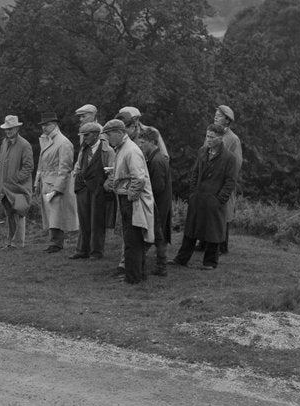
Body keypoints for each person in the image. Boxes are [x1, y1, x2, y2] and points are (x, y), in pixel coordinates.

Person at [171, 123, 240, 271]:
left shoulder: (229, 158)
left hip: (214, 200)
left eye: (212, 137)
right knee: (190, 230)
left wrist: (220, 199)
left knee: (213, 232)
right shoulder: (202, 151)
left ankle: (210, 263)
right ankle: (181, 259)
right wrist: (193, 193)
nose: (208, 139)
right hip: (198, 198)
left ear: (220, 138)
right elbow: (195, 173)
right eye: (207, 136)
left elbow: (230, 182)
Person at [102, 119, 154, 284]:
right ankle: (138, 274)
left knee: (132, 240)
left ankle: (133, 278)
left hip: (131, 200)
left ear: (119, 133)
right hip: (126, 197)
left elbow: (139, 178)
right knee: (132, 239)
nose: (108, 139)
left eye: (109, 135)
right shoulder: (123, 149)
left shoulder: (130, 150)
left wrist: (130, 197)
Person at [33, 112, 78, 253]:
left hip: (55, 182)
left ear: (55, 124)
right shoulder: (46, 140)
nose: (44, 128)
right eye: (42, 125)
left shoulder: (63, 143)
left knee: (56, 214)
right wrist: (36, 182)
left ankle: (56, 243)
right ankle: (54, 241)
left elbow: (65, 168)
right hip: (46, 181)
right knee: (50, 214)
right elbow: (41, 164)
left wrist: (58, 188)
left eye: (46, 125)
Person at [71, 121, 114, 259]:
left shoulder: (107, 150)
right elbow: (78, 167)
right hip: (83, 189)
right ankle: (81, 251)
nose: (84, 138)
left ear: (96, 135)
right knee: (83, 220)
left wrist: (107, 184)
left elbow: (112, 170)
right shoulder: (83, 149)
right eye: (83, 135)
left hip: (98, 190)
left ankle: (96, 252)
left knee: (97, 221)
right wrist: (76, 179)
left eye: (87, 135)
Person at [136, 127, 172, 276]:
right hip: (161, 204)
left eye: (143, 142)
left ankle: (156, 266)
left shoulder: (157, 161)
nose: (140, 146)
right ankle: (160, 266)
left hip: (158, 205)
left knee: (156, 235)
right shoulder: (156, 158)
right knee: (159, 236)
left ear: (152, 142)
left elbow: (157, 187)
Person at [0, 115, 33, 249]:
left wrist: (17, 179)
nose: (8, 131)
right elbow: (0, 162)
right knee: (9, 214)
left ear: (17, 128)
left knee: (19, 212)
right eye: (6, 129)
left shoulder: (24, 145)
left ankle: (18, 244)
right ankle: (10, 243)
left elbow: (28, 167)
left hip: (19, 187)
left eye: (10, 129)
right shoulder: (4, 142)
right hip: (5, 187)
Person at [215, 105, 242, 254]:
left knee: (224, 212)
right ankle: (206, 242)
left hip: (225, 181)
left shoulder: (233, 139)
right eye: (215, 115)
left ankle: (221, 246)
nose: (215, 117)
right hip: (212, 180)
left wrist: (227, 179)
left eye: (218, 116)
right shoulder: (213, 134)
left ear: (227, 120)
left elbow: (237, 162)